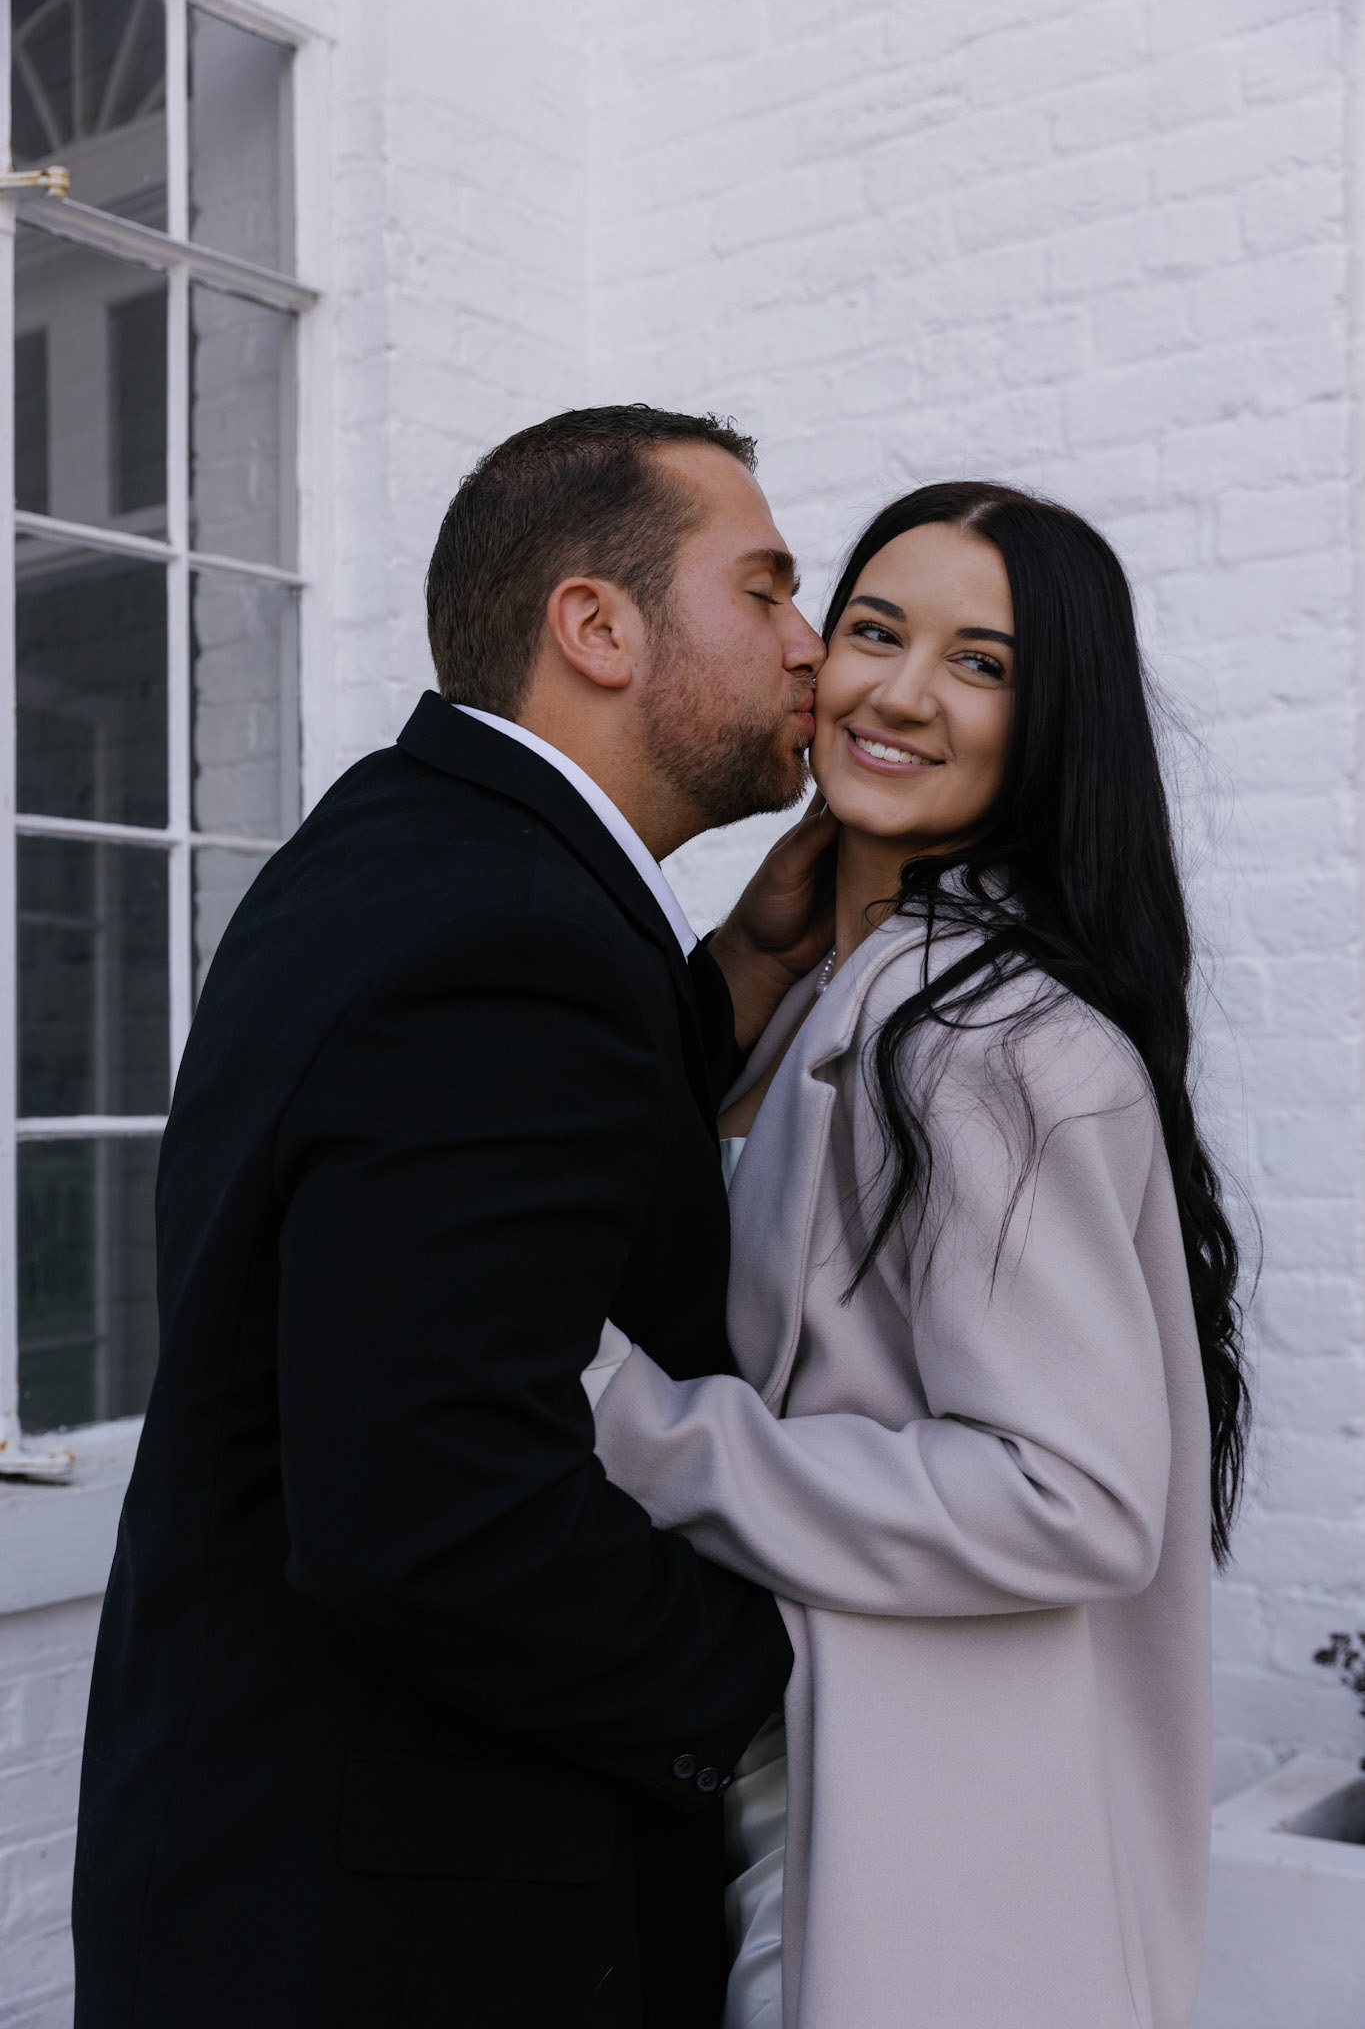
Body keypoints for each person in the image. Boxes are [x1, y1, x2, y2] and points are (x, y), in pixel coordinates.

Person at [72, 406, 837, 2029]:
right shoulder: (509, 933)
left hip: (265, 1877)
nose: (812, 647)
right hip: (405, 1941)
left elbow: (516, 1171)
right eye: (766, 589)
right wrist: (774, 1696)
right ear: (596, 627)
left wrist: (736, 978)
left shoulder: (418, 852)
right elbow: (434, 1508)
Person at [588, 482, 1251, 2029]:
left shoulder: (990, 1042)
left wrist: (643, 1430)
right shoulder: (857, 994)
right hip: (800, 1794)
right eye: (874, 631)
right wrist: (742, 979)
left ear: (1052, 724)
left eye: (979, 663)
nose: (896, 692)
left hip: (928, 1850)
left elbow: (1072, 1500)